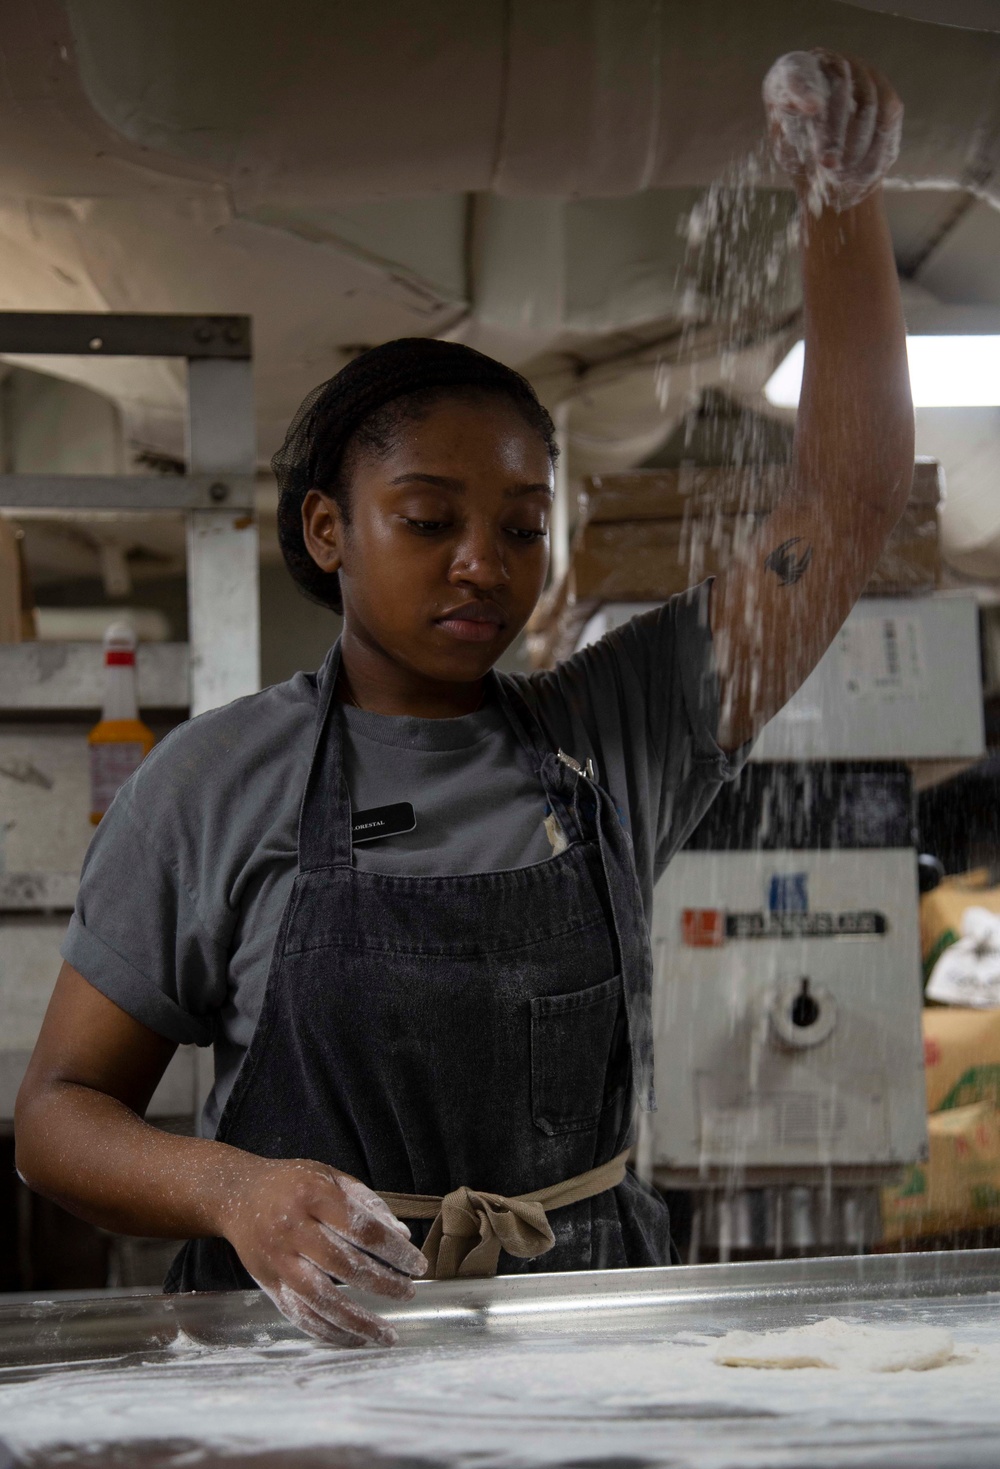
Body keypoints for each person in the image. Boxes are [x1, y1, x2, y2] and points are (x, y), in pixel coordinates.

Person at [15, 50, 912, 1347]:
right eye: (429, 520)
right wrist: (237, 1193)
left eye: (522, 526)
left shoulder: (618, 737)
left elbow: (845, 506)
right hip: (304, 1369)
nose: (483, 563)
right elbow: (57, 1118)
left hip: (584, 1351)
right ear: (329, 530)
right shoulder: (212, 783)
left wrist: (844, 199)